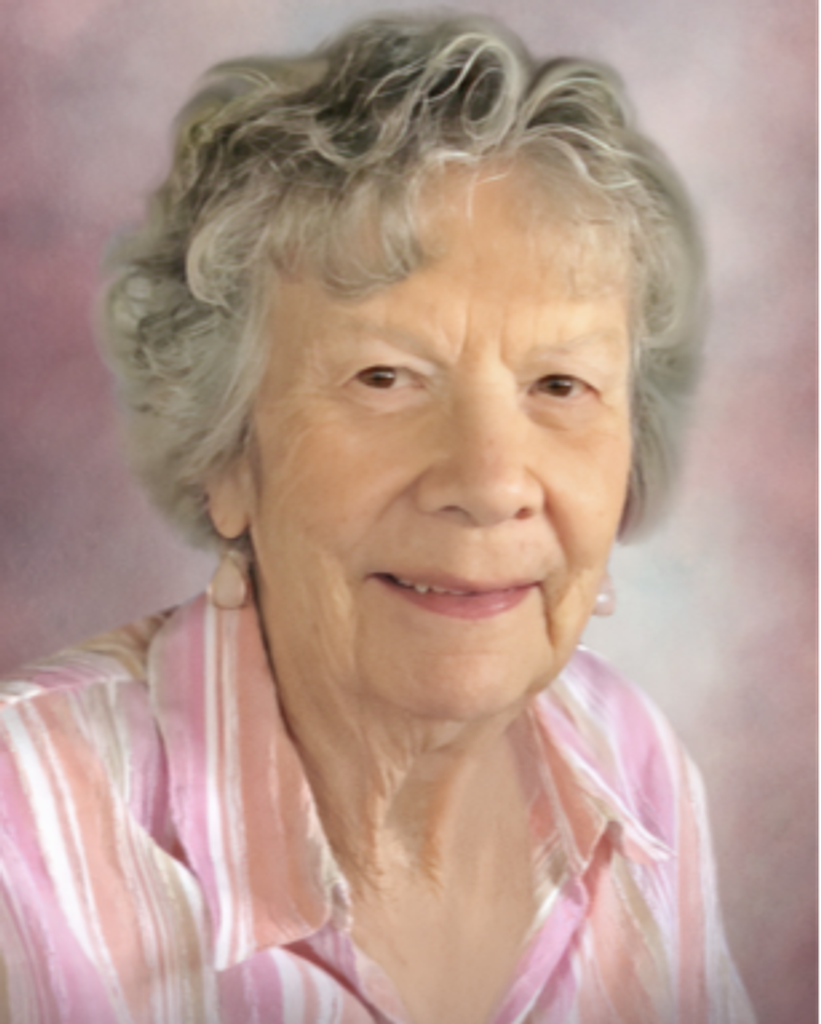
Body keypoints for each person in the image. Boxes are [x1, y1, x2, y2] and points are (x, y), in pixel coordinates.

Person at [0, 14, 755, 1024]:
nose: (488, 482)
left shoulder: (631, 760)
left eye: (559, 385)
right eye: (385, 377)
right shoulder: (20, 839)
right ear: (228, 456)